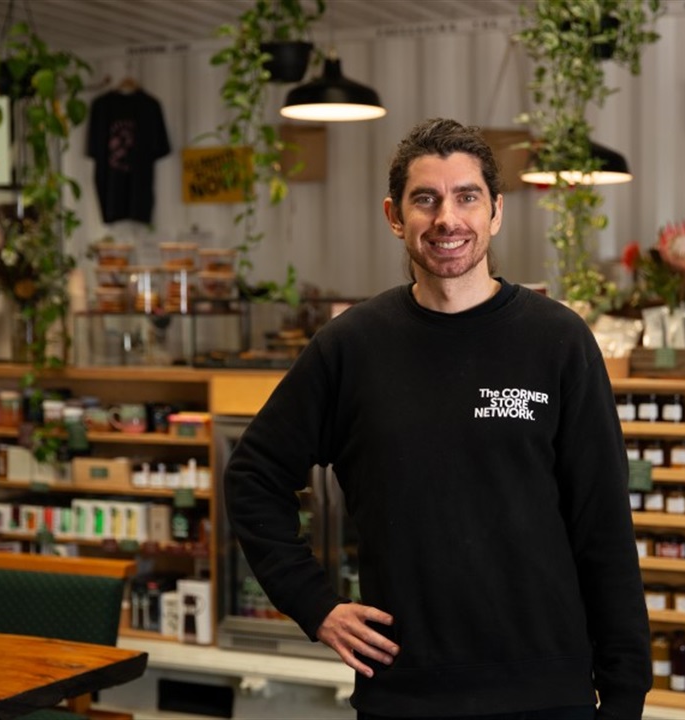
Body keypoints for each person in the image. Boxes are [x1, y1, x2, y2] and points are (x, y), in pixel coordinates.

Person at [224, 117, 651, 719]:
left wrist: (626, 692)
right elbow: (252, 476)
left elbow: (602, 522)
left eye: (466, 197)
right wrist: (315, 605)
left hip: (546, 693)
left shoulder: (557, 340)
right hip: (406, 696)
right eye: (425, 199)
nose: (447, 218)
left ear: (496, 211)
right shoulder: (352, 347)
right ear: (394, 217)